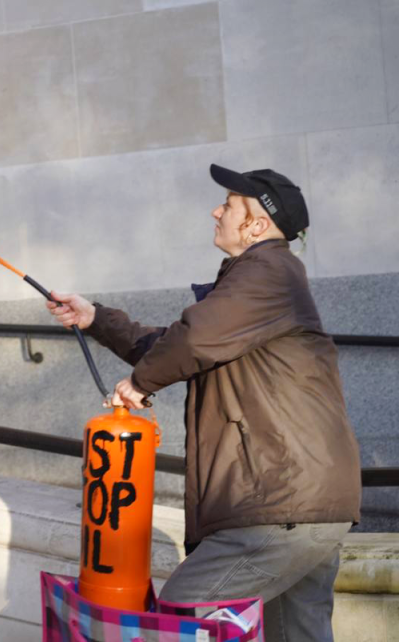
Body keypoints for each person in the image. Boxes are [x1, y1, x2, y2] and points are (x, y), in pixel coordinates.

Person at [47, 164, 361, 642]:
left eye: (230, 204)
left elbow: (193, 341)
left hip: (279, 507)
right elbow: (176, 342)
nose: (216, 210)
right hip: (304, 507)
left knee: (182, 615)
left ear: (257, 224)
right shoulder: (258, 283)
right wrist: (95, 319)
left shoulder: (269, 270)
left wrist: (137, 385)